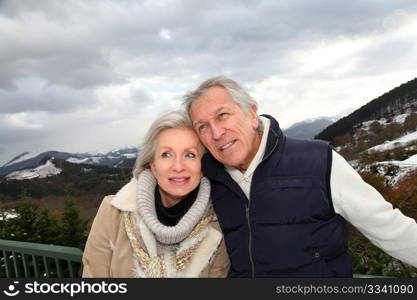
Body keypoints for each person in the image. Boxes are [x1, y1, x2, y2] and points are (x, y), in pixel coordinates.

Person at [183, 76, 417, 277]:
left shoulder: (318, 162)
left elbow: (392, 230)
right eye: (202, 126)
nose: (215, 133)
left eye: (223, 115)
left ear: (252, 115)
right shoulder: (208, 181)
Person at [82, 111, 229, 277]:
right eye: (166, 154)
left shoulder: (219, 224)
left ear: (202, 166)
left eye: (190, 154)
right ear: (153, 165)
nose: (178, 166)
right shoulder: (114, 213)